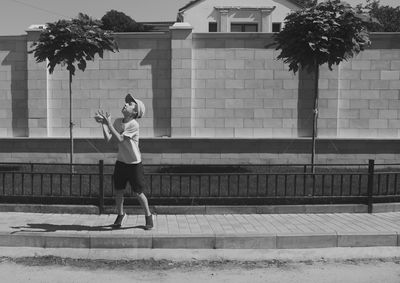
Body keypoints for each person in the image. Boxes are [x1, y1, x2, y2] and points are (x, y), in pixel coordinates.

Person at [94, 93, 153, 230]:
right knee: (118, 190)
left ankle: (149, 216)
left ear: (135, 112)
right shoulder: (117, 122)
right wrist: (104, 124)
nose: (126, 104)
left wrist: (108, 123)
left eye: (130, 104)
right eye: (127, 102)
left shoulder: (134, 125)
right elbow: (109, 140)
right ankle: (121, 215)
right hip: (121, 162)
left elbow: (120, 139)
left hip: (134, 164)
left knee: (139, 193)